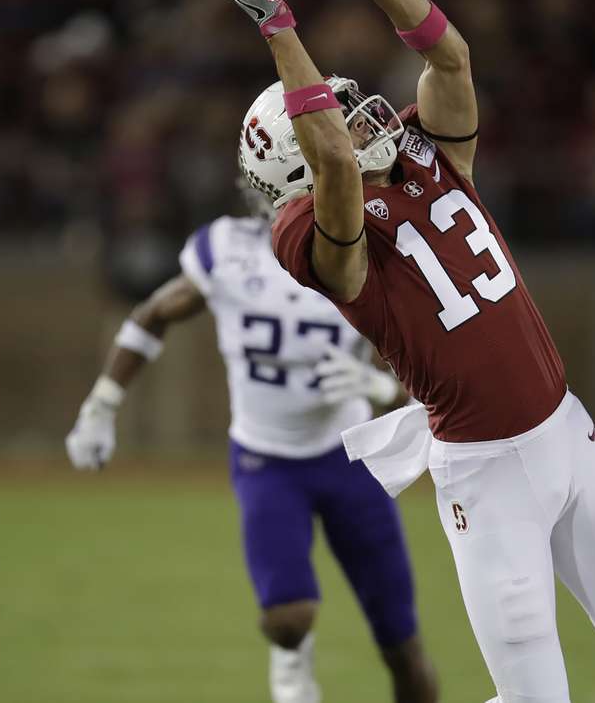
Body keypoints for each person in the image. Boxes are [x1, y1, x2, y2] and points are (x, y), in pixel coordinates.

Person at [202, 0, 595, 703]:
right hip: (487, 472)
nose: (354, 108)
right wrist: (277, 25)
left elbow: (453, 58)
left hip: (566, 431)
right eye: (332, 108)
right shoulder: (312, 233)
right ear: (299, 168)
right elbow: (334, 165)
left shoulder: (423, 152)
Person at [64, 188, 437, 703]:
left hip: (349, 456)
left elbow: (433, 377)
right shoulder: (227, 249)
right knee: (288, 619)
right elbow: (153, 314)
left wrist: (380, 387)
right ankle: (291, 651)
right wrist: (101, 405)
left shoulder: (367, 252)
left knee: (400, 643)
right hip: (266, 458)